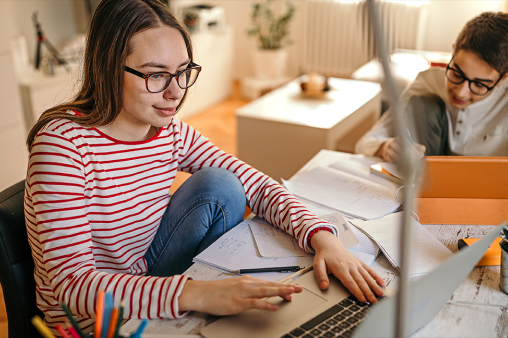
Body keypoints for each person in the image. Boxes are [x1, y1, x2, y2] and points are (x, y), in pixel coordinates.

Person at [24, 0, 385, 334]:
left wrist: (323, 239)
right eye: (156, 75)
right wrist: (197, 293)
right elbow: (72, 284)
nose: (175, 92)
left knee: (222, 183)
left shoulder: (168, 130)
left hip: (148, 275)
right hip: (94, 321)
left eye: (183, 72)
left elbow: (254, 185)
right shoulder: (63, 146)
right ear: (107, 68)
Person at [355, 12, 508, 162]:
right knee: (423, 103)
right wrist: (385, 147)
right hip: (430, 177)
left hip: (488, 184)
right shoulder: (428, 82)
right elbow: (365, 143)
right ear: (453, 52)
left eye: (479, 84)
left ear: (503, 78)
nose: (461, 92)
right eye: (457, 74)